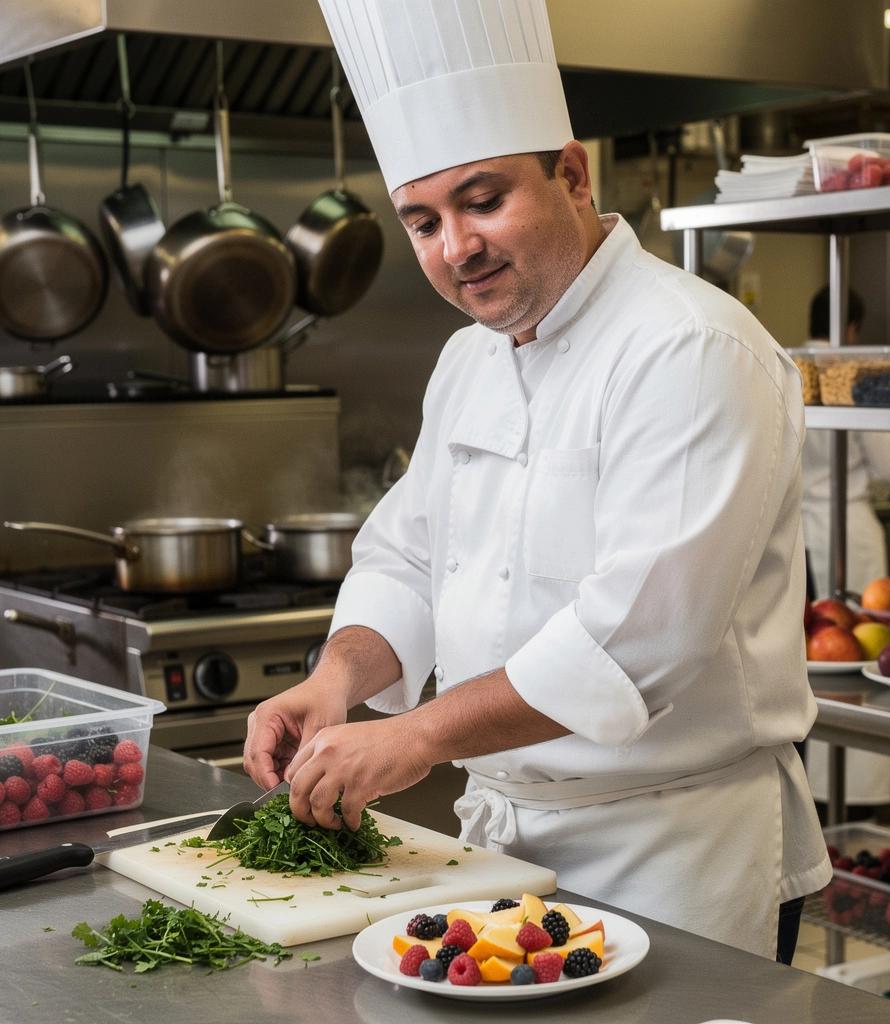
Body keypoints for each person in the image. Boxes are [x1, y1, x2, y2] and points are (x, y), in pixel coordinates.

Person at [244, 0, 830, 964]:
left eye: (483, 201)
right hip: (502, 851)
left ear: (571, 172)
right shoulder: (470, 360)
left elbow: (640, 636)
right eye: (423, 221)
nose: (455, 248)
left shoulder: (689, 347)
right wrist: (337, 681)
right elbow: (409, 556)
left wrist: (421, 735)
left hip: (677, 853)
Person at [800, 287, 890, 815]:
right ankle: (863, 796)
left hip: (799, 532)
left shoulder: (788, 363)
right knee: (862, 659)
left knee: (816, 658)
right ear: (856, 325)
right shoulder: (859, 371)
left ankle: (817, 792)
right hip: (853, 529)